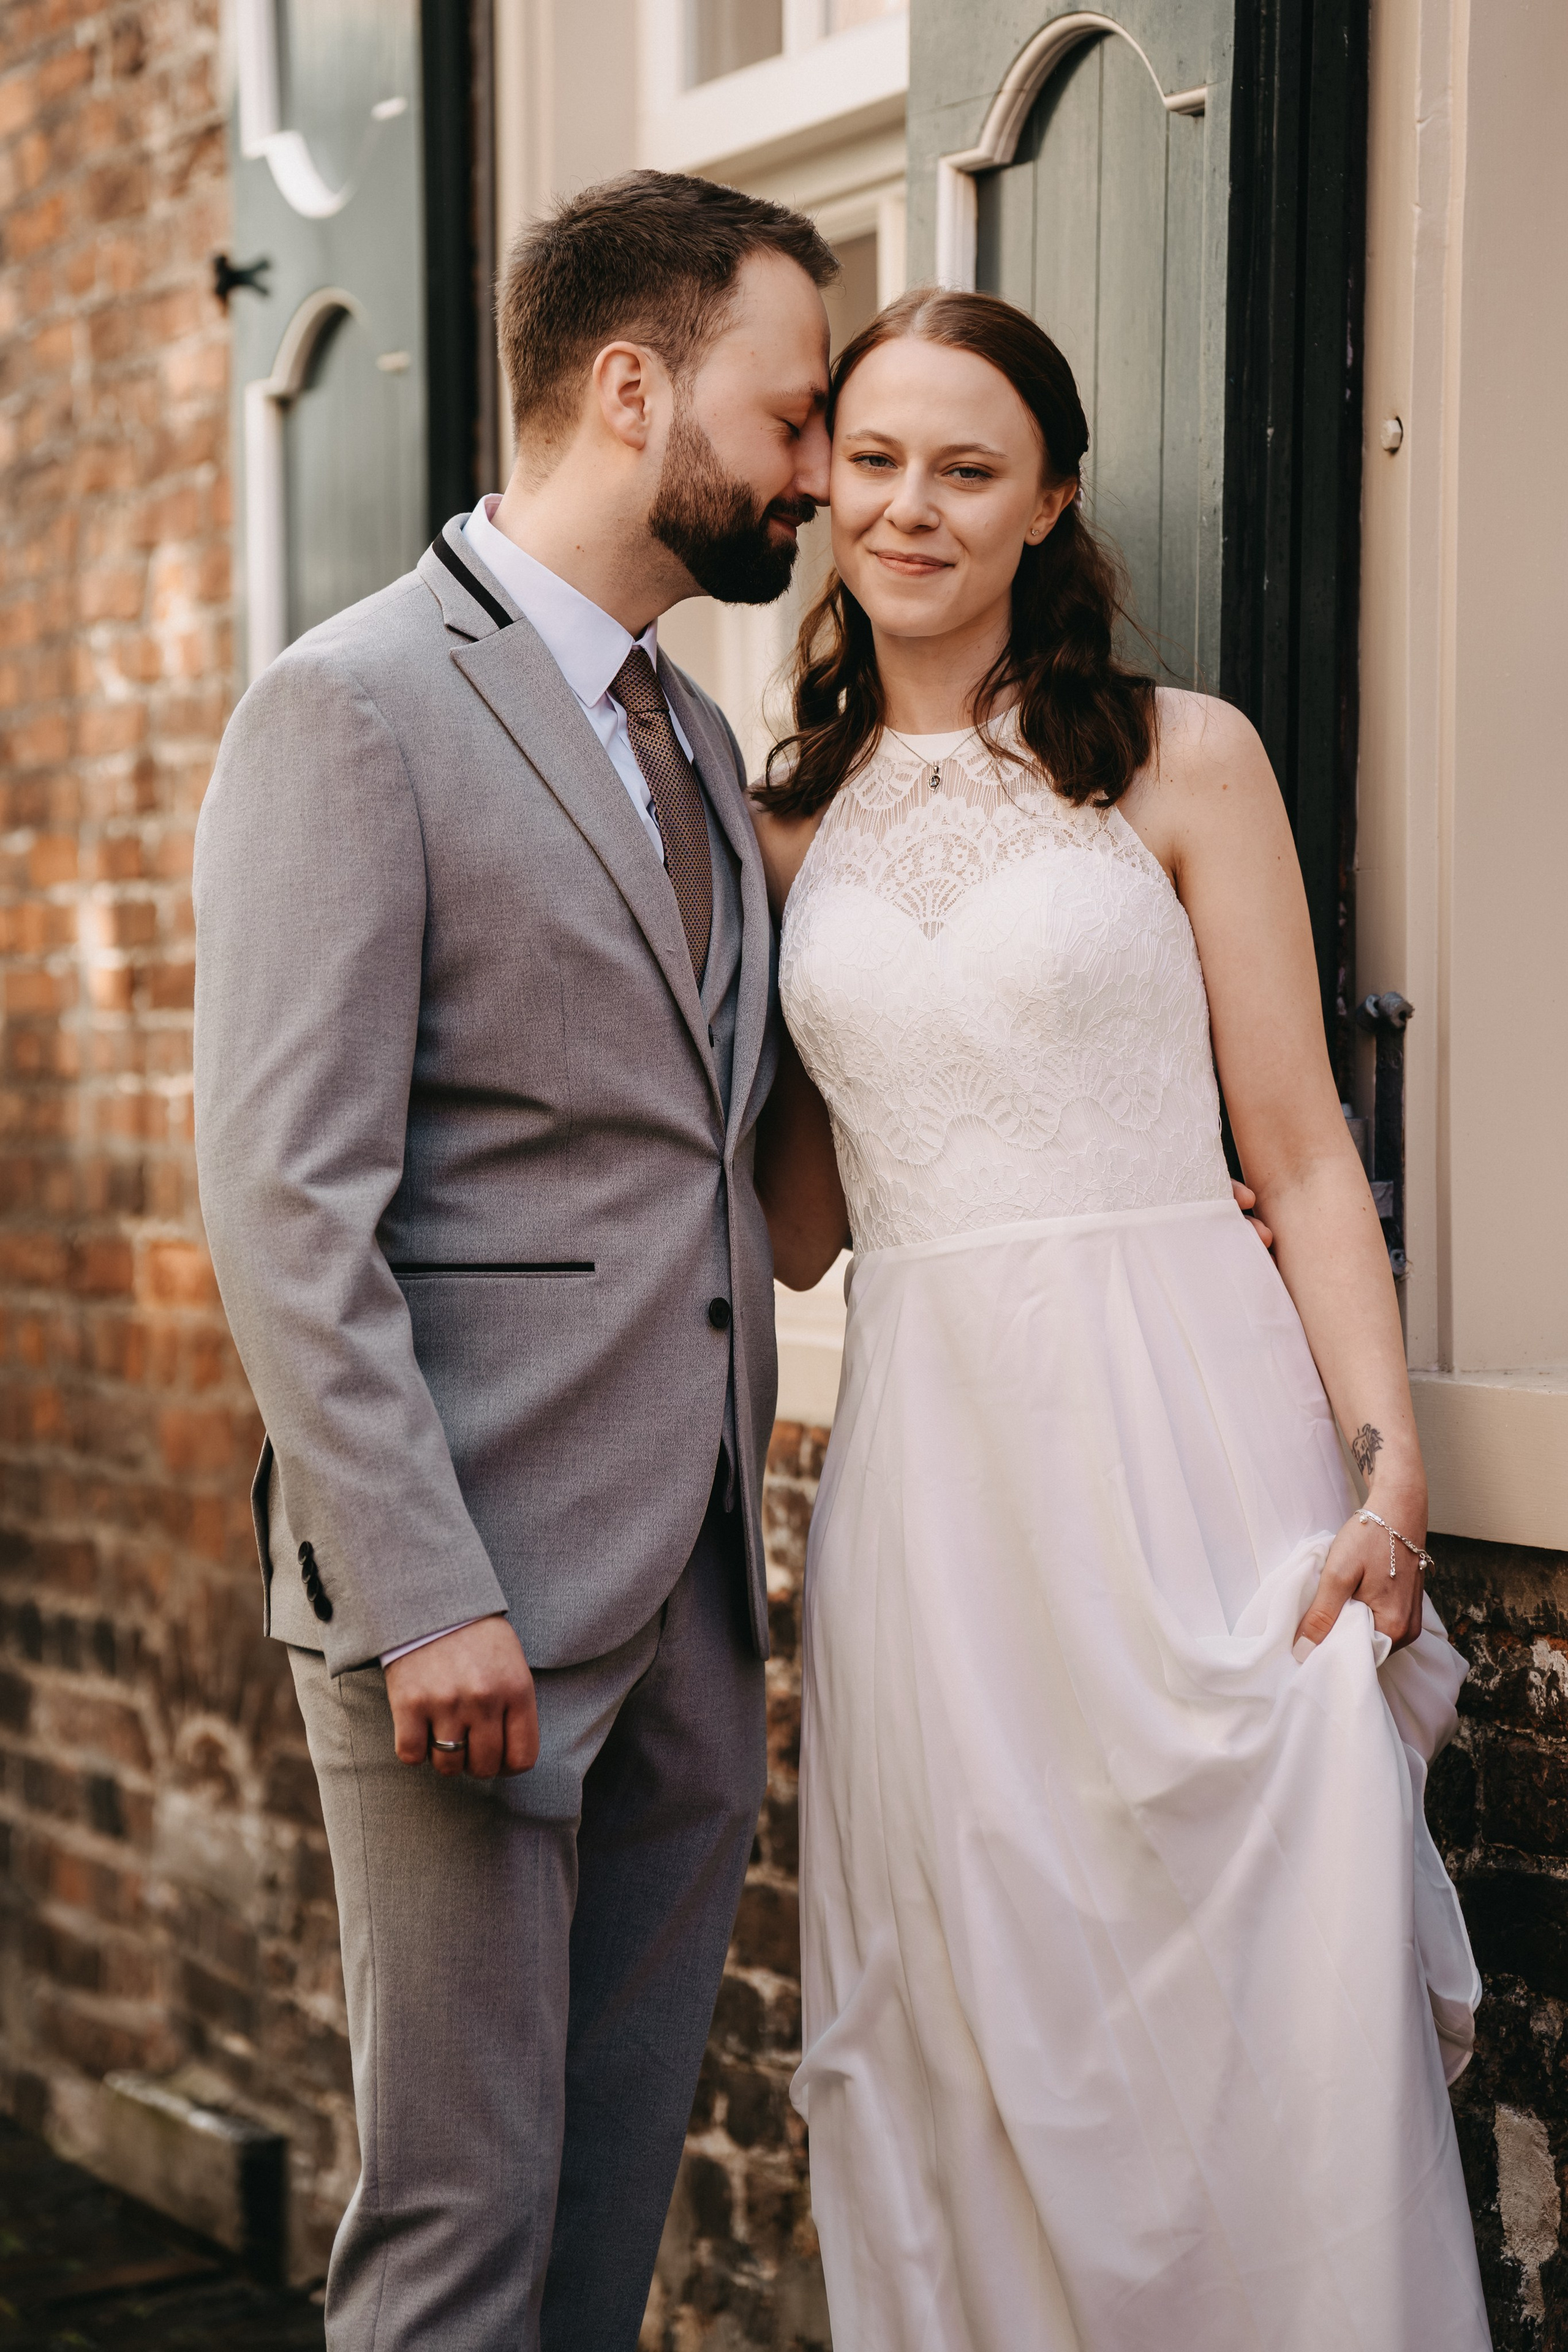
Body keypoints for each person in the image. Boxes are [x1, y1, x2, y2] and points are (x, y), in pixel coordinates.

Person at [752, 288, 1490, 2351]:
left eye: (967, 468)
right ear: (824, 482)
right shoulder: (779, 821)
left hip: (1187, 1425)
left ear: (1049, 502)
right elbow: (795, 1226)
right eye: (874, 460)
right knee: (972, 2010)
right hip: (933, 1483)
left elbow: (1306, 1153)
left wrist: (1392, 1477)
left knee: (1252, 1995)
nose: (910, 507)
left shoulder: (1182, 758)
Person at [192, 172, 835, 2350]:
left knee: (599, 2227)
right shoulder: (352, 705)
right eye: (793, 414)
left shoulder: (697, 735)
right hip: (461, 1608)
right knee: (459, 2235)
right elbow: (285, 1199)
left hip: (689, 1616)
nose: (819, 472)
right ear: (634, 388)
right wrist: (423, 1588)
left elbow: (716, 1155)